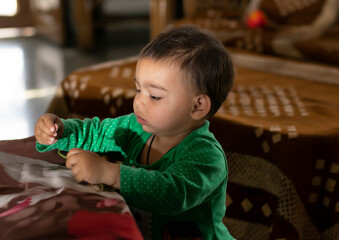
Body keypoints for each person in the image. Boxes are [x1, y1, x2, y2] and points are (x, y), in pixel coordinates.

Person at [34, 24, 235, 240]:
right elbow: (96, 132)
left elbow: (172, 194)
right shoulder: (135, 127)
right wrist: (60, 131)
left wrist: (109, 173)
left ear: (198, 106)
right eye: (138, 90)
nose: (138, 102)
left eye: (155, 96)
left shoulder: (207, 156)